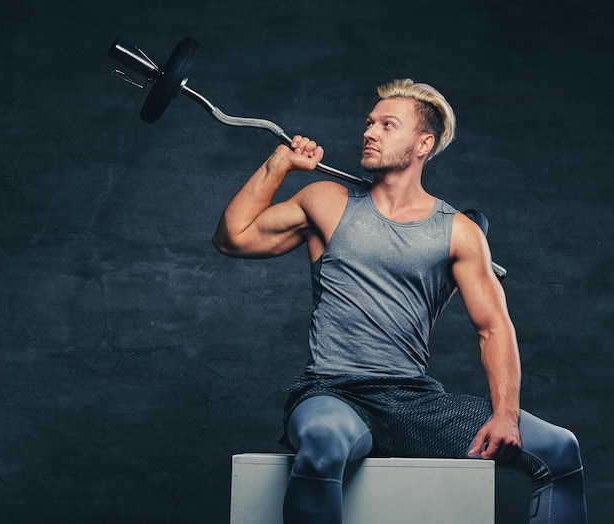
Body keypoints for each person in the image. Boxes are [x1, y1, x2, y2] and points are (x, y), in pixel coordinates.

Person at [212, 79, 587, 523]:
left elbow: (494, 327)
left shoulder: (459, 232)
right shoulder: (326, 202)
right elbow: (232, 239)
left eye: (388, 125)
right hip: (334, 392)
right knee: (322, 445)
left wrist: (505, 415)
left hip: (414, 401)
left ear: (423, 143)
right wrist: (279, 164)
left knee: (560, 449)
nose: (369, 132)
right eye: (370, 123)